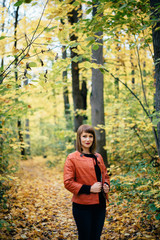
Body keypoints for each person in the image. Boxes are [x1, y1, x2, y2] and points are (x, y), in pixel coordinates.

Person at [64, 124, 110, 240]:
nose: (88, 139)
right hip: (83, 207)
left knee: (96, 237)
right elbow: (68, 182)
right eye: (84, 136)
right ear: (79, 138)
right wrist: (89, 188)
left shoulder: (98, 156)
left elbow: (105, 175)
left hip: (100, 205)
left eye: (90, 136)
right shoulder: (72, 158)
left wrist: (106, 185)